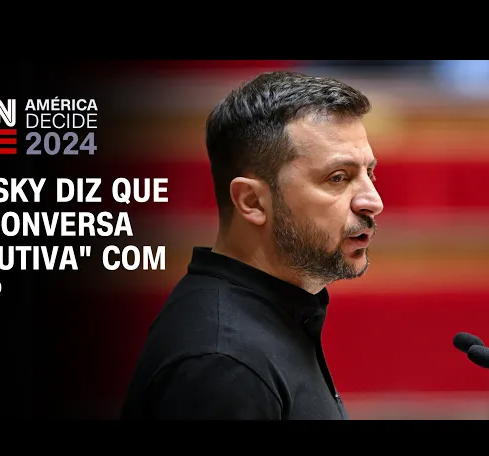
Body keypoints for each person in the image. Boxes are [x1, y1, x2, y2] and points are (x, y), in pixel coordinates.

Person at [120, 71, 384, 420]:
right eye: (338, 177)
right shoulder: (223, 366)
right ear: (252, 202)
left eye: (370, 173)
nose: (373, 201)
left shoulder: (272, 315)